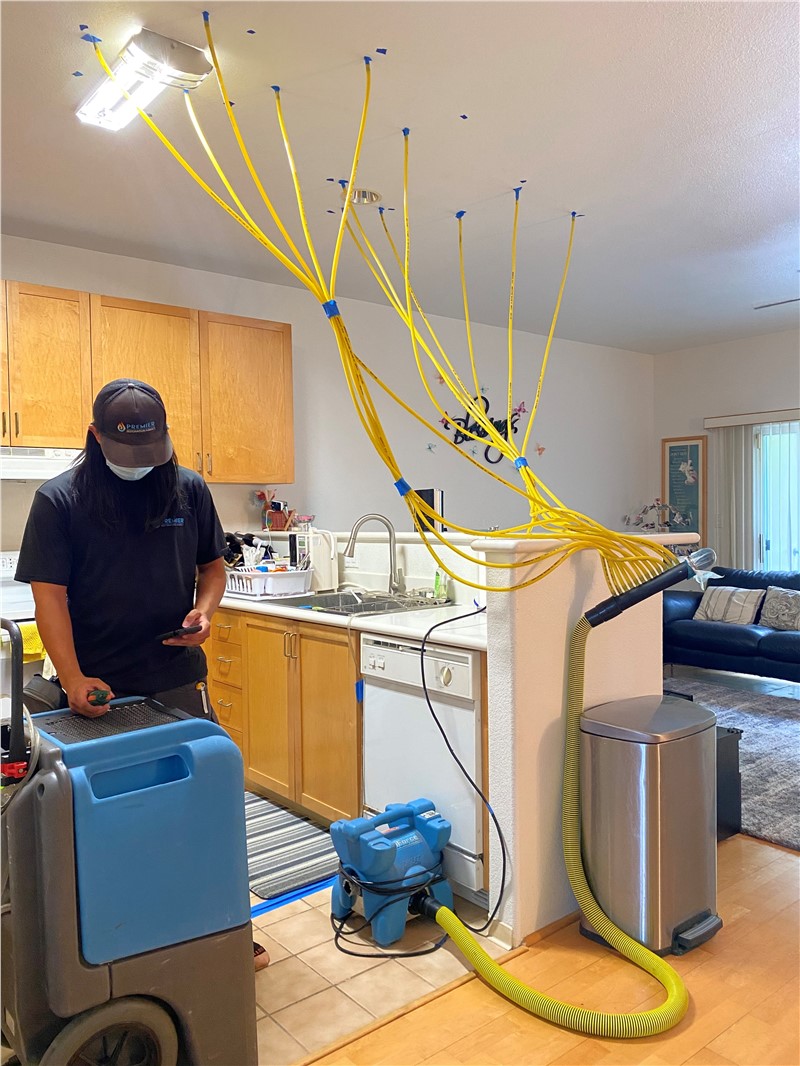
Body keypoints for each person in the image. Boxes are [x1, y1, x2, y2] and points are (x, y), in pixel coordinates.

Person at [15, 378, 269, 972]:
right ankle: (131, 930)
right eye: (124, 452)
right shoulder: (59, 501)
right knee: (119, 817)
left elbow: (212, 569)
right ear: (95, 437)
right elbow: (48, 598)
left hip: (177, 675)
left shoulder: (189, 490)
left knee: (203, 805)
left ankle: (224, 927)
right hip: (99, 686)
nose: (139, 467)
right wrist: (73, 677)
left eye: (150, 451)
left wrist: (204, 614)